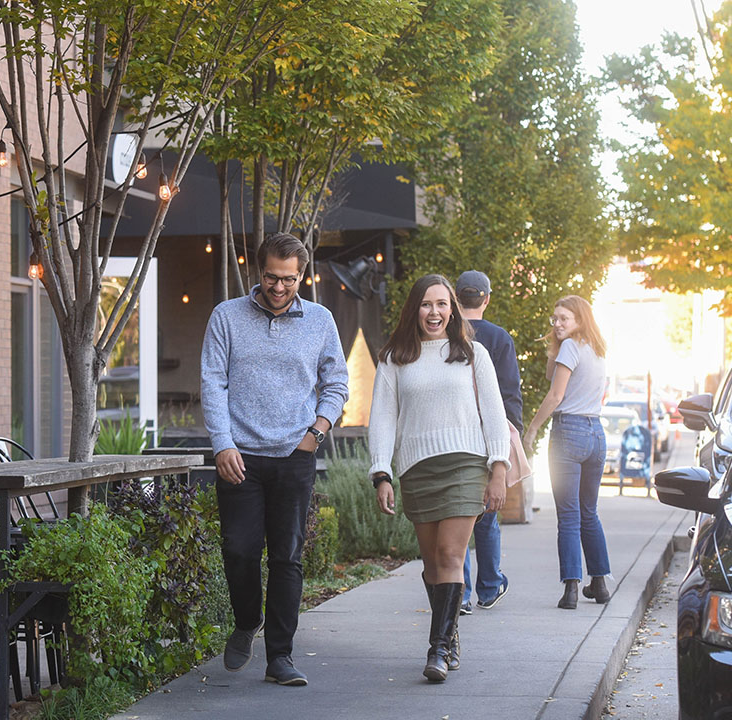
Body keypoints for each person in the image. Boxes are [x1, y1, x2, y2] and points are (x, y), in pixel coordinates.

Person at [200, 232, 349, 687]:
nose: (278, 287)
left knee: (287, 558)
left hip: (294, 455)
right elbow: (212, 382)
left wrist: (315, 433)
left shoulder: (321, 321)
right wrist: (222, 443)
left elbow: (338, 384)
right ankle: (248, 621)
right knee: (238, 550)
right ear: (257, 271)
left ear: (301, 275)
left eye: (288, 279)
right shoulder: (227, 317)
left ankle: (279, 657)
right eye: (270, 277)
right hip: (239, 457)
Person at [368, 274, 511, 683]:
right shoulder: (395, 357)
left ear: (453, 308)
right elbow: (382, 418)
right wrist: (382, 471)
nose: (435, 312)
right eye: (426, 304)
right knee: (432, 564)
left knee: (451, 556)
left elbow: (494, 413)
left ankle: (438, 648)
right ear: (415, 309)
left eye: (442, 304)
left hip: (466, 464)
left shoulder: (472, 353)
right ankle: (449, 633)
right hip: (417, 468)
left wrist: (497, 466)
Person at [524, 295, 613, 609]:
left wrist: (533, 427)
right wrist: (554, 344)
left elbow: (555, 393)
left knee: (569, 516)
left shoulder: (572, 347)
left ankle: (571, 590)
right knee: (589, 512)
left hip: (569, 432)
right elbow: (552, 374)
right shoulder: (596, 349)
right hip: (596, 434)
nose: (558, 324)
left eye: (565, 319)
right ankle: (599, 584)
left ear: (580, 320)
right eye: (555, 319)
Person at [454, 271, 522, 616]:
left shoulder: (444, 336)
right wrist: (513, 436)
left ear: (454, 297)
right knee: (486, 515)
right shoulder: (499, 338)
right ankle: (490, 586)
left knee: (459, 513)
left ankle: (461, 593)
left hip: (455, 433)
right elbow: (510, 393)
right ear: (486, 299)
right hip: (489, 436)